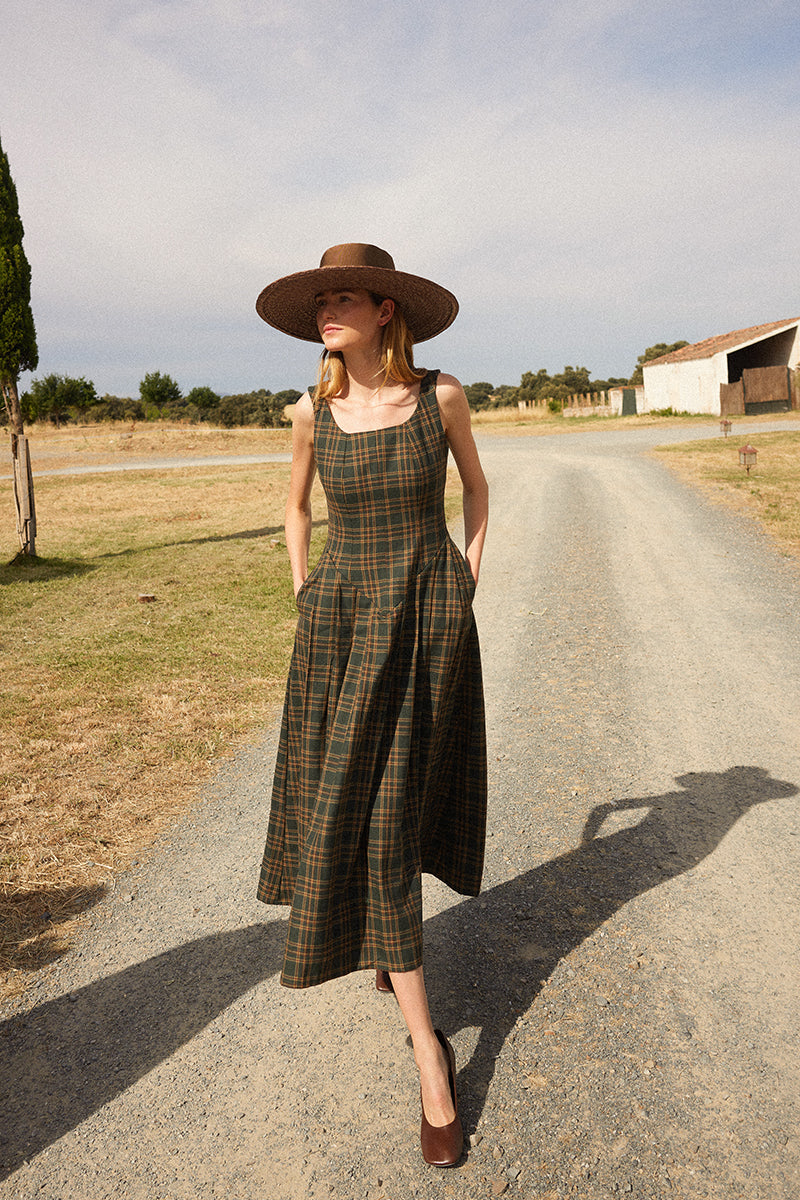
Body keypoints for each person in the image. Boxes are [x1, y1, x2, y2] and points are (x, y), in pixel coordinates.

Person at [255, 243, 488, 1167]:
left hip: (426, 621)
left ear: (386, 310)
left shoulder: (441, 397)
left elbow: (477, 490)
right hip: (341, 628)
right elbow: (294, 507)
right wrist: (305, 587)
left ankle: (425, 1046)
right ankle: (428, 1040)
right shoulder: (314, 410)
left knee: (397, 814)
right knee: (360, 808)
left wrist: (464, 584)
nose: (327, 312)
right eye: (321, 302)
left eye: (342, 298)